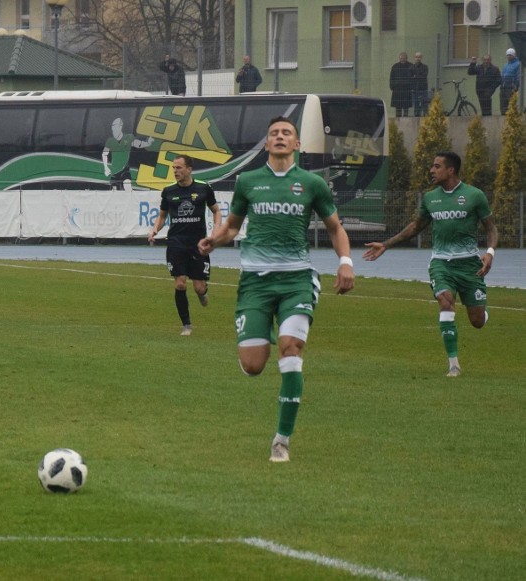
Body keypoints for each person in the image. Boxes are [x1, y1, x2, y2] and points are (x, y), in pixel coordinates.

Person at [197, 117, 355, 463]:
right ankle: (262, 333)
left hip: (296, 280)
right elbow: (232, 228)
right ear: (267, 144)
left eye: (286, 133)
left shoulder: (312, 184)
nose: (280, 137)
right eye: (273, 134)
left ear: (297, 145)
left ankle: (281, 440)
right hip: (255, 282)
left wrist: (346, 261)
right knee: (253, 365)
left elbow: (335, 228)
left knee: (291, 349)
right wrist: (215, 239)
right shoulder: (248, 181)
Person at [362, 152, 497, 378]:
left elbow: (491, 227)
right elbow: (416, 226)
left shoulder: (475, 196)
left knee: (477, 321)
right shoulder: (430, 198)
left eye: (436, 166)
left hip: (469, 265)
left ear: (450, 170)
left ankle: (482, 312)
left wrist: (490, 252)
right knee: (445, 302)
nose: (431, 170)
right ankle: (453, 364)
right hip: (441, 264)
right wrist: (386, 244)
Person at [148, 154, 221, 336]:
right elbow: (163, 215)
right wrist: (155, 229)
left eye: (179, 168)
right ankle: (186, 325)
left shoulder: (204, 188)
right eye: (173, 168)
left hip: (198, 244)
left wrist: (216, 231)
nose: (175, 171)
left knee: (199, 287)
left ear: (189, 169)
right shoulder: (168, 191)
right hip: (176, 243)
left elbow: (216, 211)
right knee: (180, 284)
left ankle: (203, 292)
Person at [102, 118, 154, 191]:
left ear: (120, 127)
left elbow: (138, 144)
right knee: (114, 191)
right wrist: (106, 168)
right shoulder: (110, 141)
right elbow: (104, 154)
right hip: (114, 171)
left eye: (115, 127)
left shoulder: (128, 137)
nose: (113, 130)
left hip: (125, 170)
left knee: (127, 186)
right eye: (112, 128)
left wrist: (148, 143)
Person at [390, 52, 413, 117]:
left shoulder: (411, 66)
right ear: (399, 58)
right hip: (397, 90)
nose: (402, 59)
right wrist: (392, 87)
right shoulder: (395, 66)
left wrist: (412, 87)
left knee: (406, 108)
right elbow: (392, 78)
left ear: (406, 58)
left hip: (407, 90)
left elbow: (413, 78)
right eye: (401, 58)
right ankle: (397, 121)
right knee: (398, 108)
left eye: (404, 58)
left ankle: (406, 121)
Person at [500, 48, 520, 113]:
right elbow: (502, 75)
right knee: (503, 105)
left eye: (510, 55)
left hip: (511, 88)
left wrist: (515, 87)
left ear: (514, 55)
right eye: (508, 55)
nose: (509, 56)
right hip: (503, 87)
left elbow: (518, 77)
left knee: (511, 105)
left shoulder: (517, 64)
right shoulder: (505, 65)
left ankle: (513, 120)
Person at [411, 52, 430, 117]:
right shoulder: (411, 67)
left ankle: (426, 120)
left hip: (423, 89)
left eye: (419, 57)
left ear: (421, 58)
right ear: (414, 58)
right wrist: (418, 75)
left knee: (425, 106)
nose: (418, 58)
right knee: (416, 107)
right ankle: (416, 120)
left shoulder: (425, 67)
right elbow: (410, 78)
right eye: (416, 57)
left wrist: (415, 76)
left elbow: (424, 76)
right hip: (414, 89)